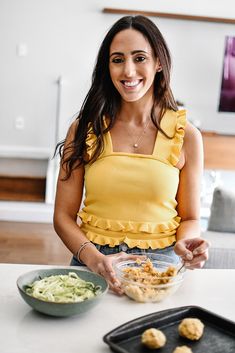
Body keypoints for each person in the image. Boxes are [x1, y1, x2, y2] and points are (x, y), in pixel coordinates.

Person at [53, 15, 209, 294]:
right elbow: (63, 216)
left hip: (161, 266)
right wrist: (94, 259)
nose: (128, 71)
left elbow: (190, 218)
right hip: (92, 262)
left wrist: (187, 243)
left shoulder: (188, 136)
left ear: (158, 62)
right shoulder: (83, 128)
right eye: (117, 59)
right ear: (107, 66)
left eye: (139, 58)